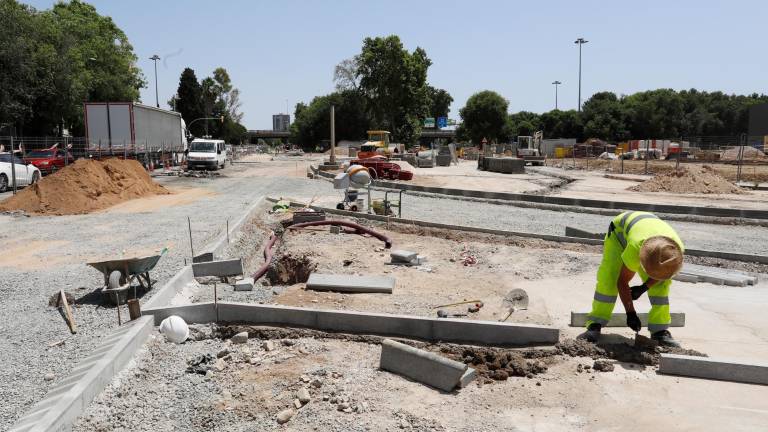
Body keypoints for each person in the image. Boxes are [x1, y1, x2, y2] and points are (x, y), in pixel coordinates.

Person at [582, 211, 684, 347]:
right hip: (618, 234)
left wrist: (644, 287)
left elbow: (663, 274)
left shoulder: (674, 252)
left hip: (649, 230)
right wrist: (630, 313)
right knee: (609, 279)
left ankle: (659, 331)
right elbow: (622, 281)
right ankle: (595, 323)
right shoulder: (636, 248)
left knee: (662, 285)